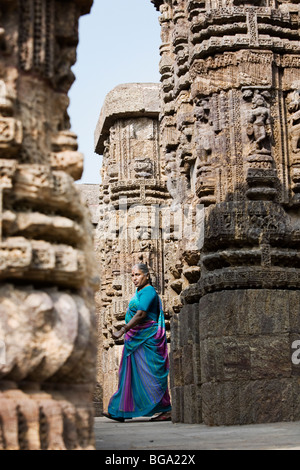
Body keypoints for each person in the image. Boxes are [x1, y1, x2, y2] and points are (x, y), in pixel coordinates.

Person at [102, 264, 172, 422]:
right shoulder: (140, 291)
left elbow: (141, 314)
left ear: (147, 275)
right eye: (132, 275)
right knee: (131, 375)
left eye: (138, 275)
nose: (134, 278)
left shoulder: (148, 290)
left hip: (148, 339)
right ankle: (121, 410)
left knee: (153, 375)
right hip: (137, 339)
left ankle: (166, 409)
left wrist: (123, 329)